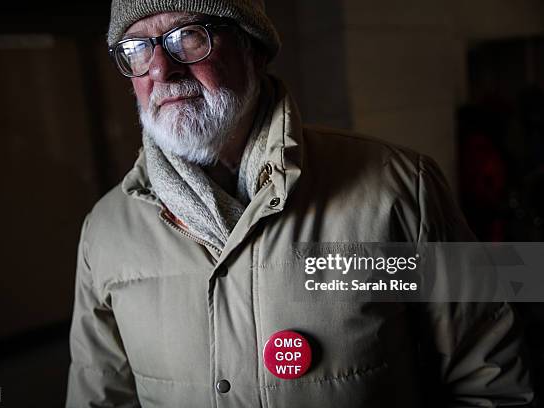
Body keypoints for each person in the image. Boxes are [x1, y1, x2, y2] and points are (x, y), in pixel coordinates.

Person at [66, 0, 534, 406]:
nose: (161, 70)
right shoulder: (106, 232)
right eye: (137, 48)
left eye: (188, 37)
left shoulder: (400, 189)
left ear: (252, 47)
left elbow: (490, 378)